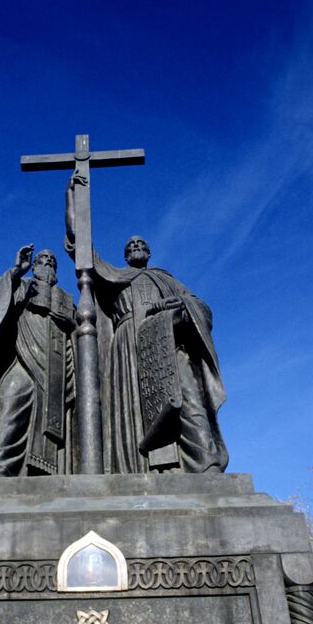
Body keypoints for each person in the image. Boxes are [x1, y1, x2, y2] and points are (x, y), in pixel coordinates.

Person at [65, 175, 228, 474]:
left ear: (149, 252)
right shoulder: (114, 276)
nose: (136, 246)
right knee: (130, 409)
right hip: (128, 346)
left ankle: (206, 467)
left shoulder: (166, 279)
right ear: (126, 255)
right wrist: (73, 201)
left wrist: (176, 307)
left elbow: (201, 307)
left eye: (141, 243)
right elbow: (82, 249)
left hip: (168, 345)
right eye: (130, 245)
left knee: (188, 398)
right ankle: (136, 471)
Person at [0, 246, 75, 477]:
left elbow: (75, 335)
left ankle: (44, 475)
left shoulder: (66, 300)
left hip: (55, 366)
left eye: (52, 262)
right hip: (23, 358)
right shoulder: (22, 287)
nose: (47, 264)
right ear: (34, 266)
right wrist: (16, 272)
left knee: (52, 420)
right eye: (42, 260)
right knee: (11, 406)